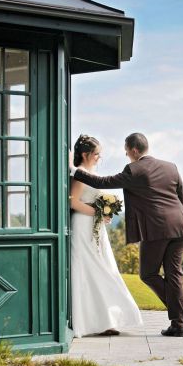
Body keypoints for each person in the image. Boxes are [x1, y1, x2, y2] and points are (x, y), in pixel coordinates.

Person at [69, 132, 183, 337]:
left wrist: (74, 170)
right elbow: (182, 200)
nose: (126, 154)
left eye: (126, 151)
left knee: (148, 274)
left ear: (134, 150)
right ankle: (179, 323)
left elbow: (104, 182)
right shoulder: (171, 167)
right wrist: (177, 221)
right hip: (180, 226)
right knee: (174, 273)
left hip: (156, 229)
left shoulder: (134, 169)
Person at [69, 135, 143, 337]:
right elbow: (73, 202)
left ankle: (108, 319)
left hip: (96, 227)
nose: (99, 158)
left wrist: (104, 213)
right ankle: (91, 322)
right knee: (90, 269)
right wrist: (98, 212)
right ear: (85, 154)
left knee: (105, 268)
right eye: (96, 154)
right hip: (83, 226)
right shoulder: (80, 175)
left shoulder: (91, 173)